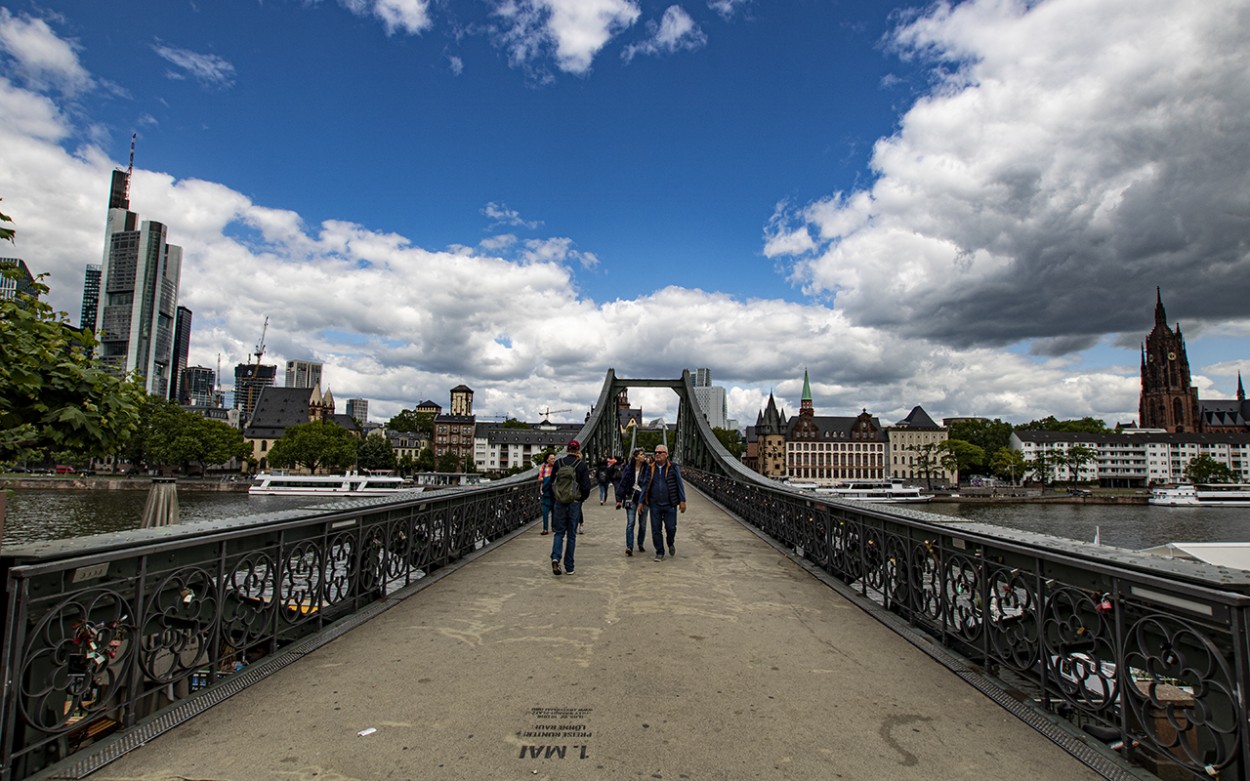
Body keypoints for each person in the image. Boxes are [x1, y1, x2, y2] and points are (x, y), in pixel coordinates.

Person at [546, 439, 592, 576]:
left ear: (567, 450)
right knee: (571, 535)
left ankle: (555, 558)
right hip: (574, 503)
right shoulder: (581, 465)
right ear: (578, 451)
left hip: (560, 502)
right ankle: (569, 566)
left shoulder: (558, 463)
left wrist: (555, 498)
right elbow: (586, 487)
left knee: (559, 532)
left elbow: (551, 483)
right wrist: (581, 499)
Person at [642, 444, 685, 561]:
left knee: (671, 528)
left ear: (666, 455)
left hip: (670, 504)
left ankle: (670, 542)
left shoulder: (673, 467)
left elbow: (679, 484)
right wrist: (641, 502)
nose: (657, 454)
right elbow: (645, 485)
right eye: (656, 452)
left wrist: (682, 500)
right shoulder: (650, 468)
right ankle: (659, 551)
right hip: (654, 504)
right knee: (656, 529)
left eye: (660, 452)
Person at [614, 448, 651, 556]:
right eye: (641, 454)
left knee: (642, 524)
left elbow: (648, 485)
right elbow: (623, 483)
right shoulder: (628, 468)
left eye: (644, 454)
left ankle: (640, 543)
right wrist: (619, 500)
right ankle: (629, 546)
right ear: (635, 457)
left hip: (643, 499)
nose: (643, 456)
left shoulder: (647, 469)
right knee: (631, 523)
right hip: (630, 497)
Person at [537, 452, 556, 535]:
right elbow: (540, 478)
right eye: (551, 459)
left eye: (554, 458)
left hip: (554, 492)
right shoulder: (543, 467)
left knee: (555, 511)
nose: (553, 460)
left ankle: (554, 527)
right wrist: (548, 479)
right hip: (546, 492)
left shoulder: (556, 467)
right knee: (545, 511)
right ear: (547, 459)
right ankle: (545, 529)